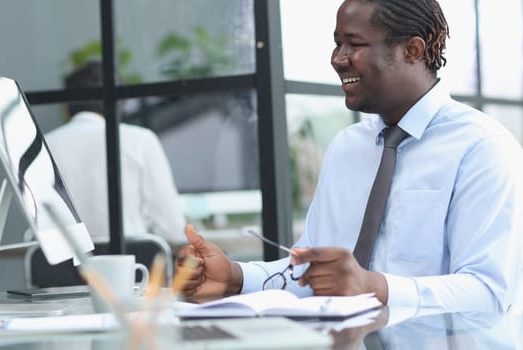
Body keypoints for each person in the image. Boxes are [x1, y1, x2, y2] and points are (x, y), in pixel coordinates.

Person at [175, 0, 523, 314]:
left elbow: (490, 291)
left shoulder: (482, 148)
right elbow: (311, 270)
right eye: (337, 42)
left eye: (354, 44)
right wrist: (234, 276)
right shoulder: (347, 148)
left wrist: (376, 287)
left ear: (412, 50)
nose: (338, 58)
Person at [45, 61, 187, 246]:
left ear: (66, 107)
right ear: (121, 103)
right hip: (134, 267)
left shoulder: (45, 144)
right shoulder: (140, 140)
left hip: (59, 270)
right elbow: (172, 229)